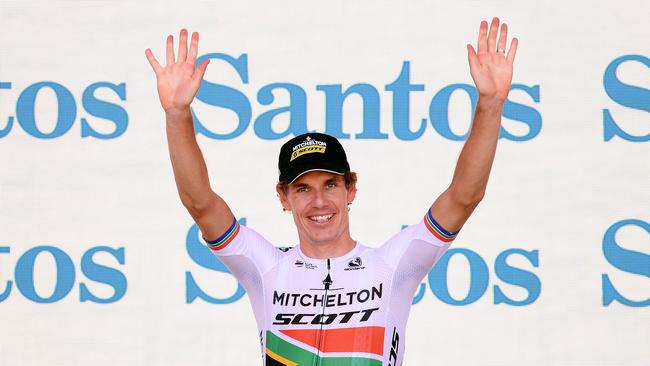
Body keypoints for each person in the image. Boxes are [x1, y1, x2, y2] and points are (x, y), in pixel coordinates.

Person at [146, 17, 518, 366]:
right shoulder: (266, 269)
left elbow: (463, 197)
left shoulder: (391, 266)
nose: (319, 201)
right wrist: (177, 113)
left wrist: (489, 105)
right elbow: (200, 202)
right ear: (283, 197)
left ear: (351, 189)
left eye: (330, 184)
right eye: (303, 188)